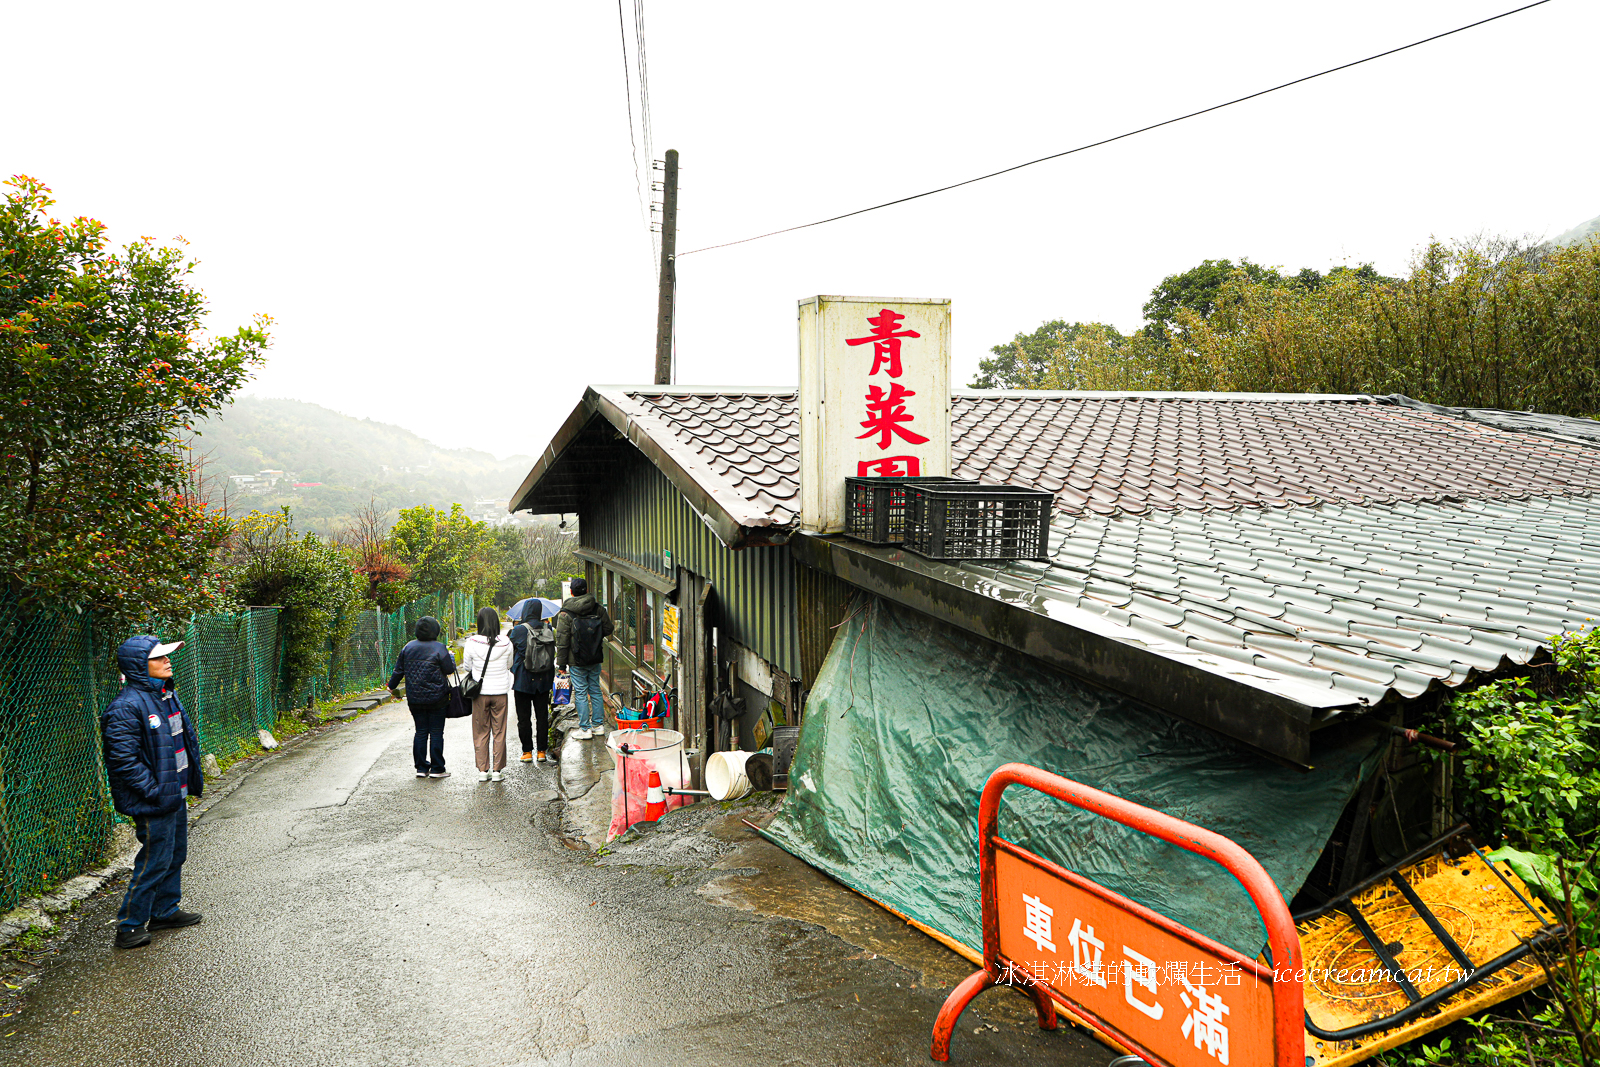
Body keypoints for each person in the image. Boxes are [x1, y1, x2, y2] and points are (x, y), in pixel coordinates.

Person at [101, 635, 205, 950]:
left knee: (175, 855)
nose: (167, 661)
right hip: (156, 800)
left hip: (175, 794)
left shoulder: (166, 695)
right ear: (139, 667)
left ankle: (164, 911)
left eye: (166, 656)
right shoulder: (126, 707)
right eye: (159, 658)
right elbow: (123, 760)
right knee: (154, 860)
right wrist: (156, 792)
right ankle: (129, 926)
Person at [387, 615, 457, 779]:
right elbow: (449, 669)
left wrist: (392, 686)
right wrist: (451, 655)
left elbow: (399, 670)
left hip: (415, 698)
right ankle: (437, 768)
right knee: (436, 732)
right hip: (437, 698)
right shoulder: (439, 648)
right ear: (436, 630)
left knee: (420, 732)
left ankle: (421, 768)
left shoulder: (408, 647)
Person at [554, 576, 613, 740]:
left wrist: (561, 664)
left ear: (571, 592)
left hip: (576, 660)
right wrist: (593, 636)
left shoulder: (566, 613)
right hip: (594, 657)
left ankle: (585, 729)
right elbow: (608, 628)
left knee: (580, 692)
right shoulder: (598, 608)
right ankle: (599, 726)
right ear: (587, 591)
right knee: (595, 689)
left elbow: (562, 641)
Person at [463, 606, 514, 782]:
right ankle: (498, 771)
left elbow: (467, 667)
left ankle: (483, 771)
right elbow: (509, 665)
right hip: (500, 692)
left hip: (480, 694)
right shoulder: (507, 642)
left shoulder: (471, 643)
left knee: (481, 731)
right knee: (499, 731)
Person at [507, 603, 555, 763]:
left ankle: (527, 752)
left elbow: (510, 650)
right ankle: (542, 751)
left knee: (524, 718)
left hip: (523, 680)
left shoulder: (519, 630)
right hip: (544, 679)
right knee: (542, 716)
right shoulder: (549, 629)